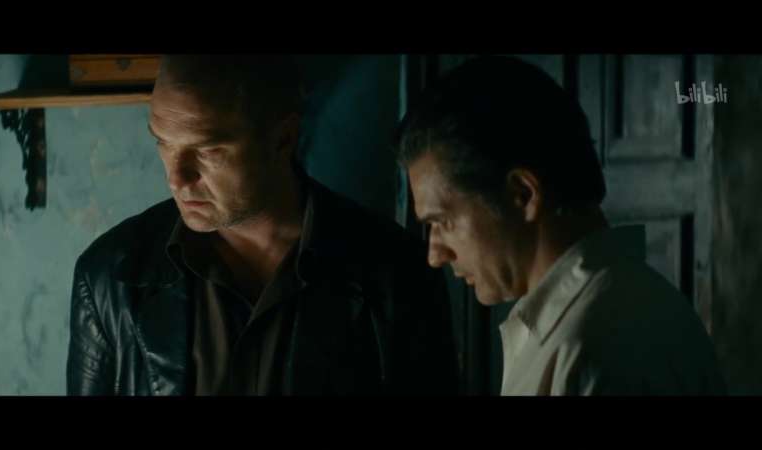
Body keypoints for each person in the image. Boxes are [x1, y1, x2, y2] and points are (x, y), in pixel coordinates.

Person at [66, 55, 458, 395]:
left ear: (282, 139)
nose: (176, 178)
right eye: (163, 143)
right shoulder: (110, 277)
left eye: (208, 150)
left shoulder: (396, 274)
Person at [395, 55, 725, 395]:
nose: (435, 255)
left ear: (523, 195)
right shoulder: (637, 303)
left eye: (442, 222)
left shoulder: (588, 350)